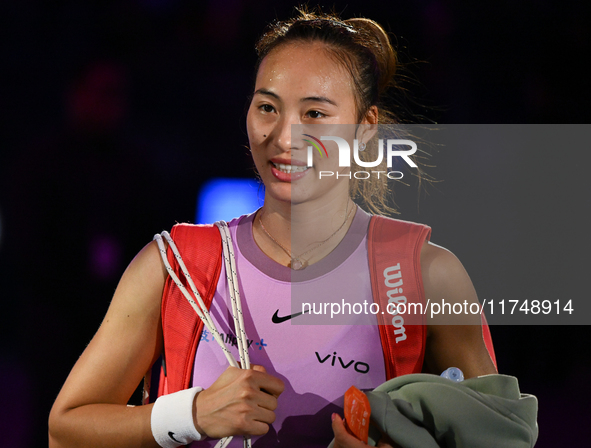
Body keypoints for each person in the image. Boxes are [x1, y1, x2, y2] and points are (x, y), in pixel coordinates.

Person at [48, 8, 497, 448]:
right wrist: (191, 415)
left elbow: (497, 435)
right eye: (267, 107)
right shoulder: (176, 267)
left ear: (365, 129)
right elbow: (64, 431)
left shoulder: (427, 275)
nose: (284, 138)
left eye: (316, 114)